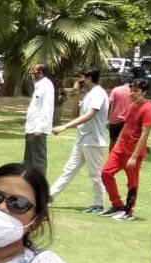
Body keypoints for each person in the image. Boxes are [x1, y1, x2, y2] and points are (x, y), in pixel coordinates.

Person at [51, 68, 110, 214]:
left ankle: (98, 204)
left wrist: (64, 127)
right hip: (82, 139)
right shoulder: (88, 94)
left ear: (89, 78)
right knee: (69, 170)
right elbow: (76, 115)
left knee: (95, 174)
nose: (79, 81)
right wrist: (77, 95)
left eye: (81, 79)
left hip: (93, 141)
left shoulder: (98, 93)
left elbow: (89, 115)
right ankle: (48, 197)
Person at [100, 79, 151, 223]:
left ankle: (128, 211)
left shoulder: (148, 109)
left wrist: (134, 156)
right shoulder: (132, 106)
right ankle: (117, 205)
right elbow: (126, 126)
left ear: (144, 92)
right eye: (131, 90)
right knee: (106, 173)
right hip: (120, 149)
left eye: (136, 91)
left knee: (132, 182)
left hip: (133, 152)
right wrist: (116, 146)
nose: (132, 93)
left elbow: (145, 134)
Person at [23, 63, 55, 175]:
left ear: (41, 72)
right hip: (31, 127)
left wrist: (40, 128)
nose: (33, 74)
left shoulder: (47, 86)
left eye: (35, 71)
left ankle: (39, 183)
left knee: (38, 160)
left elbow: (47, 108)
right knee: (28, 159)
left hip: (38, 128)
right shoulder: (39, 85)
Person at [107, 73, 133, 147]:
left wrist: (108, 117)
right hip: (127, 120)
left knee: (113, 140)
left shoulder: (116, 90)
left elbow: (109, 104)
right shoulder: (133, 92)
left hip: (114, 120)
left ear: (122, 80)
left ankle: (111, 157)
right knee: (125, 142)